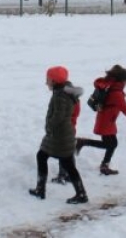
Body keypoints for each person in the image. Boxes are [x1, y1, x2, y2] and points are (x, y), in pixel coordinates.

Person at [76, 65, 126, 175]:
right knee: (111, 144)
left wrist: (122, 94)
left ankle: (103, 164)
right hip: (106, 122)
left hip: (107, 120)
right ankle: (83, 143)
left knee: (112, 144)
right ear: (122, 80)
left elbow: (112, 97)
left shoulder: (113, 87)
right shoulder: (116, 93)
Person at [29, 66, 88, 204]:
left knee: (56, 160)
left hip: (59, 135)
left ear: (54, 81)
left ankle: (80, 194)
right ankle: (42, 189)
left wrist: (49, 126)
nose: (46, 83)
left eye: (47, 80)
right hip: (61, 134)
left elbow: (58, 116)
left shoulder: (61, 96)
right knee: (47, 157)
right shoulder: (64, 92)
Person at [50, 79, 83, 185]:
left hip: (65, 129)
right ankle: (67, 174)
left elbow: (62, 115)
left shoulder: (67, 100)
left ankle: (63, 175)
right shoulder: (75, 98)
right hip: (70, 127)